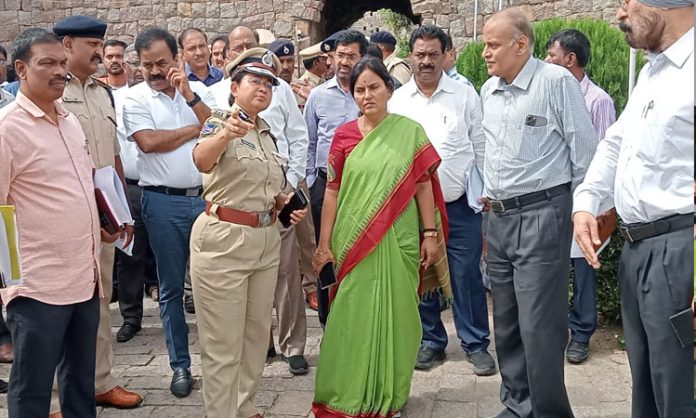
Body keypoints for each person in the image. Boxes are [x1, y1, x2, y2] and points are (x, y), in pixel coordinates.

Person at [573, 0, 694, 416]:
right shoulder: (652, 71)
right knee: (647, 385)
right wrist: (587, 202)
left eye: (628, 3)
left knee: (680, 389)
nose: (620, 15)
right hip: (638, 249)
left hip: (682, 249)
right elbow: (615, 144)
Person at [311, 55, 446, 418]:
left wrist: (429, 234)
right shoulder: (343, 136)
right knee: (350, 317)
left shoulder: (409, 132)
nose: (367, 95)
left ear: (389, 88)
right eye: (359, 90)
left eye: (374, 87)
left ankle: (389, 394)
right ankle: (346, 394)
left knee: (398, 315)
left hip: (398, 238)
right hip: (352, 240)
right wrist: (324, 244)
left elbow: (422, 186)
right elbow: (333, 193)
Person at [480, 8, 598, 417]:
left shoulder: (555, 82)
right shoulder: (487, 91)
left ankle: (548, 412)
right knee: (508, 323)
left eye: (493, 45)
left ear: (521, 44)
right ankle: (517, 406)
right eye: (484, 45)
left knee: (539, 327)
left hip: (542, 215)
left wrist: (583, 209)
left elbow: (585, 151)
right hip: (497, 218)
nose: (485, 53)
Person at [190, 47, 307, 418]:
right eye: (255, 81)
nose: (263, 88)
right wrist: (225, 134)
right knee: (223, 342)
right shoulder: (219, 121)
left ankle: (244, 406)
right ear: (234, 87)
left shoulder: (265, 134)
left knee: (256, 337)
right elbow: (201, 159)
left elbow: (265, 186)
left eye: (269, 84)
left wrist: (285, 200)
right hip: (223, 240)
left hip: (265, 239)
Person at [0, 27, 101, 418]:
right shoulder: (8, 130)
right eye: (48, 64)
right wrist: (9, 284)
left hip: (84, 277)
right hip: (38, 287)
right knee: (32, 391)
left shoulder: (69, 120)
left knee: (80, 384)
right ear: (21, 69)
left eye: (63, 62)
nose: (60, 71)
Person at [389, 25, 494, 376]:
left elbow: (480, 145)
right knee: (423, 275)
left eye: (433, 54)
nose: (426, 61)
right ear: (410, 57)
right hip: (413, 209)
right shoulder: (398, 101)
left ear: (446, 54)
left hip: (459, 204)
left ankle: (476, 342)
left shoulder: (464, 95)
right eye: (420, 55)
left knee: (466, 276)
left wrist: (488, 189)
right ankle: (431, 342)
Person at [210, 26, 313, 373]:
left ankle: (292, 344)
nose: (263, 87)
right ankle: (260, 344)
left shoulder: (280, 90)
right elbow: (206, 157)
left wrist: (291, 181)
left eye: (250, 45)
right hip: (238, 205)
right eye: (238, 47)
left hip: (278, 196)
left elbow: (297, 137)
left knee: (285, 273)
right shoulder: (214, 97)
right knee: (247, 281)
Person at [52, 15, 142, 412]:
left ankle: (100, 381)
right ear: (67, 44)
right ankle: (56, 395)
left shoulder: (103, 93)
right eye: (91, 44)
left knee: (101, 300)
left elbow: (114, 154)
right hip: (65, 217)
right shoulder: (50, 90)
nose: (98, 52)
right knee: (58, 308)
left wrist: (120, 207)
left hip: (102, 216)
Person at [123, 27, 216, 398]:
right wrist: (194, 130)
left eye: (162, 62)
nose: (155, 71)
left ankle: (219, 363)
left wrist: (189, 97)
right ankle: (181, 366)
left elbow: (218, 127)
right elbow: (149, 143)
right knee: (171, 289)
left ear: (177, 59)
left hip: (206, 200)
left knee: (213, 287)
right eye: (147, 65)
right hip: (161, 203)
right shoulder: (133, 99)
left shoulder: (199, 92)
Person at [545, 28, 617, 364]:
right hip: (552, 197)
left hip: (584, 200)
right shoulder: (548, 93)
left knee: (585, 267)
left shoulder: (598, 100)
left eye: (552, 55)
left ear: (570, 59)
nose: (546, 61)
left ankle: (582, 333)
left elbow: (602, 155)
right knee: (554, 268)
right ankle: (557, 331)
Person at [304, 29, 366, 325]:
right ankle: (328, 317)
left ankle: (356, 312)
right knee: (324, 247)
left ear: (361, 58)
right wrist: (310, 182)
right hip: (324, 184)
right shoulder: (317, 97)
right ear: (331, 57)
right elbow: (310, 142)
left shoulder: (368, 93)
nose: (344, 61)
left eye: (351, 56)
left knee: (358, 246)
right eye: (339, 55)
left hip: (362, 188)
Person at [114, 44, 160, 343]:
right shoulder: (118, 98)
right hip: (131, 185)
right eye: (145, 64)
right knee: (131, 254)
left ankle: (180, 302)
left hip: (162, 186)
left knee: (171, 252)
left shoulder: (172, 98)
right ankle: (131, 316)